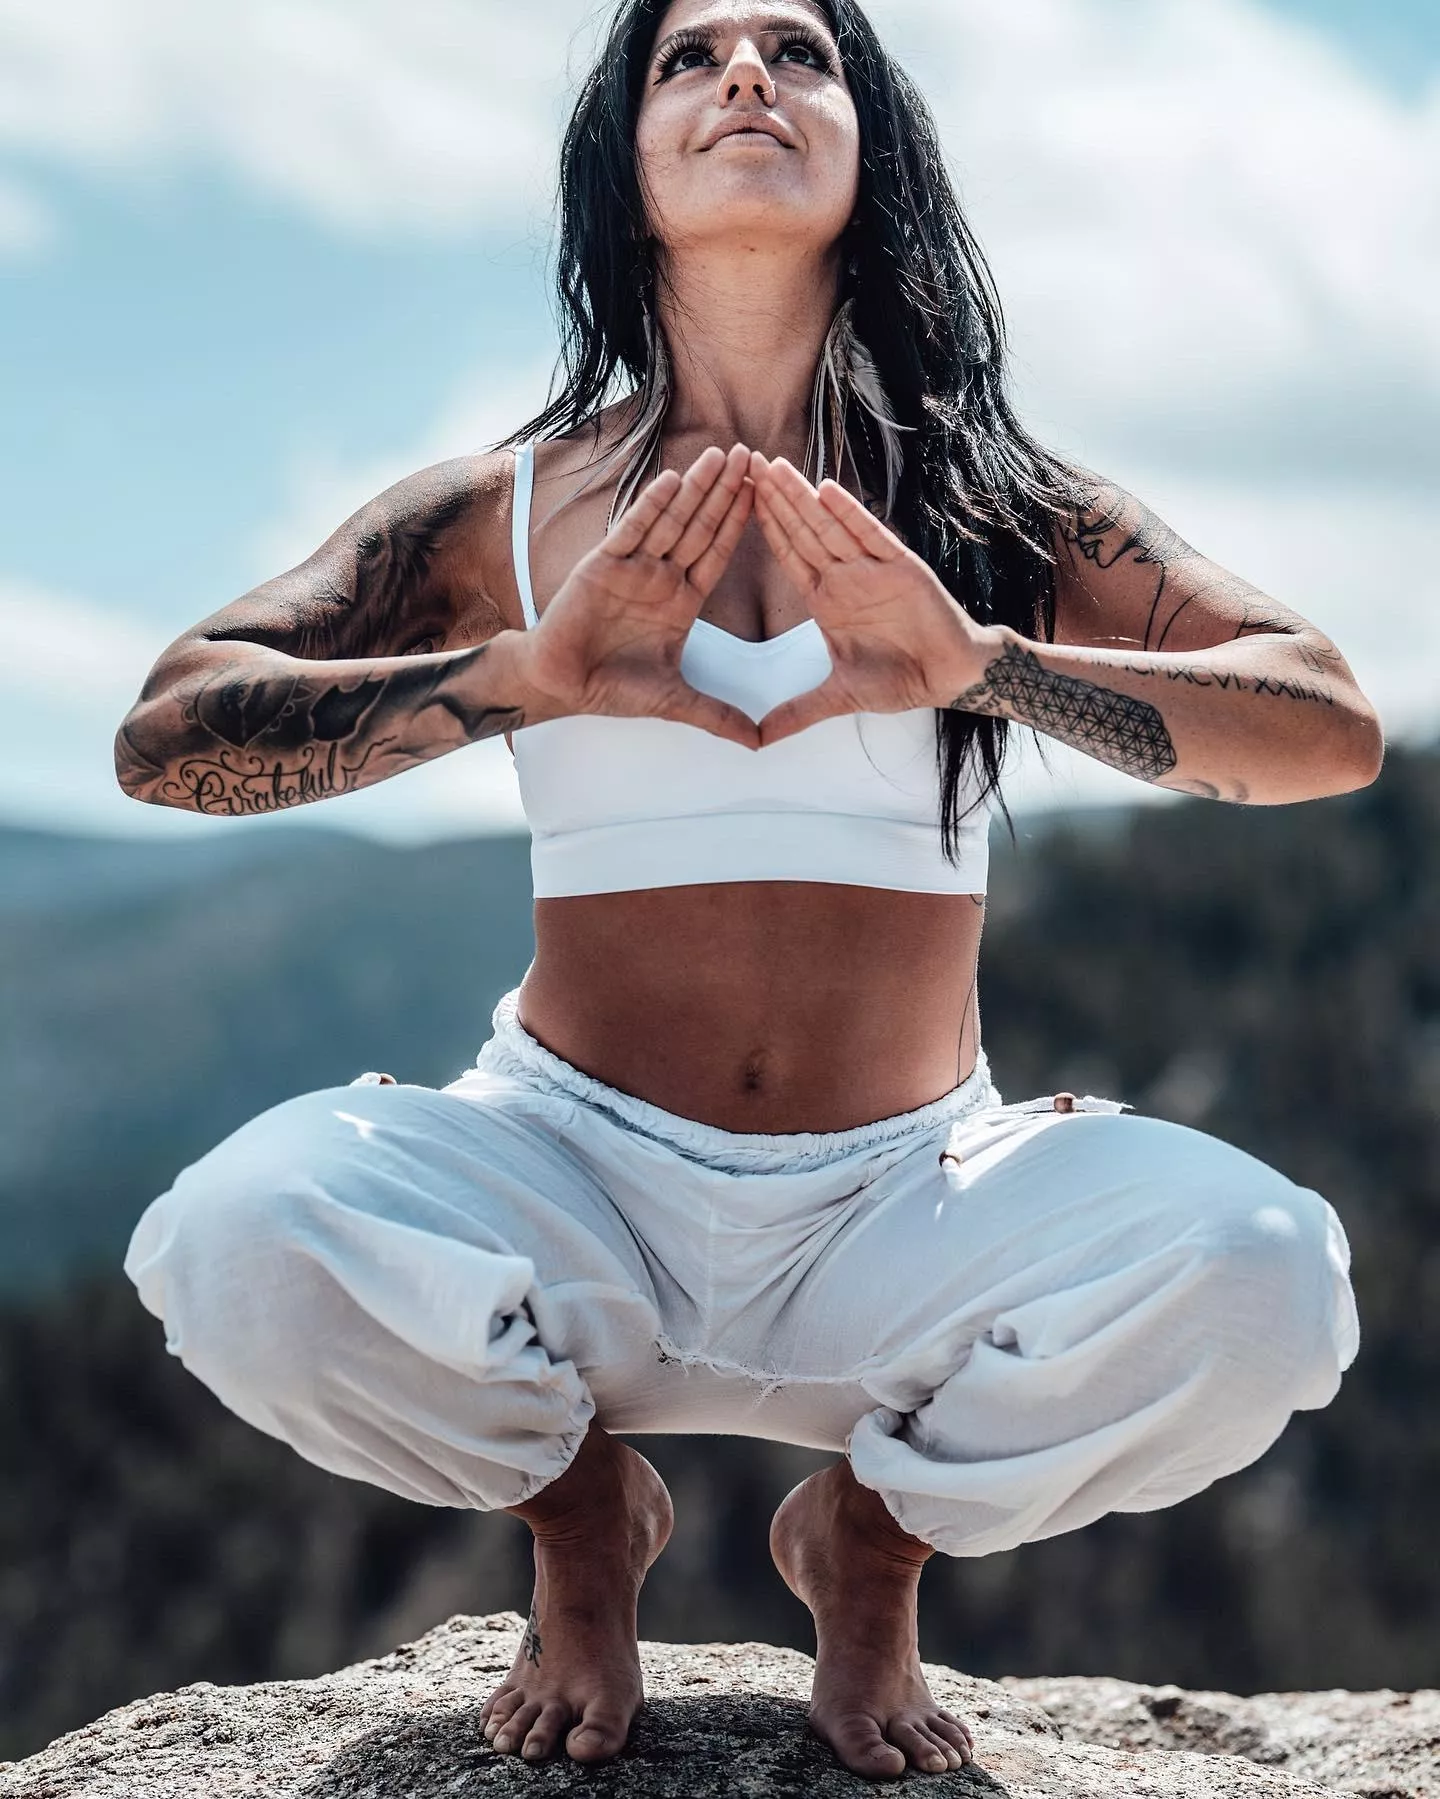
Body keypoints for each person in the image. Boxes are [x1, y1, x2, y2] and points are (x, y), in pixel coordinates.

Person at [114, 0, 1381, 1779]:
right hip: (572, 1173)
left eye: (801, 48)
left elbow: (1326, 723)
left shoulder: (993, 503)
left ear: (875, 146)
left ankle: (865, 1544)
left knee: (1272, 1281)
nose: (745, 76)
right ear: (622, 165)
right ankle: (581, 1517)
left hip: (906, 1201)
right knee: (232, 1240)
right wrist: (520, 681)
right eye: (688, 54)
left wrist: (989, 663)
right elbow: (168, 732)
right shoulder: (511, 507)